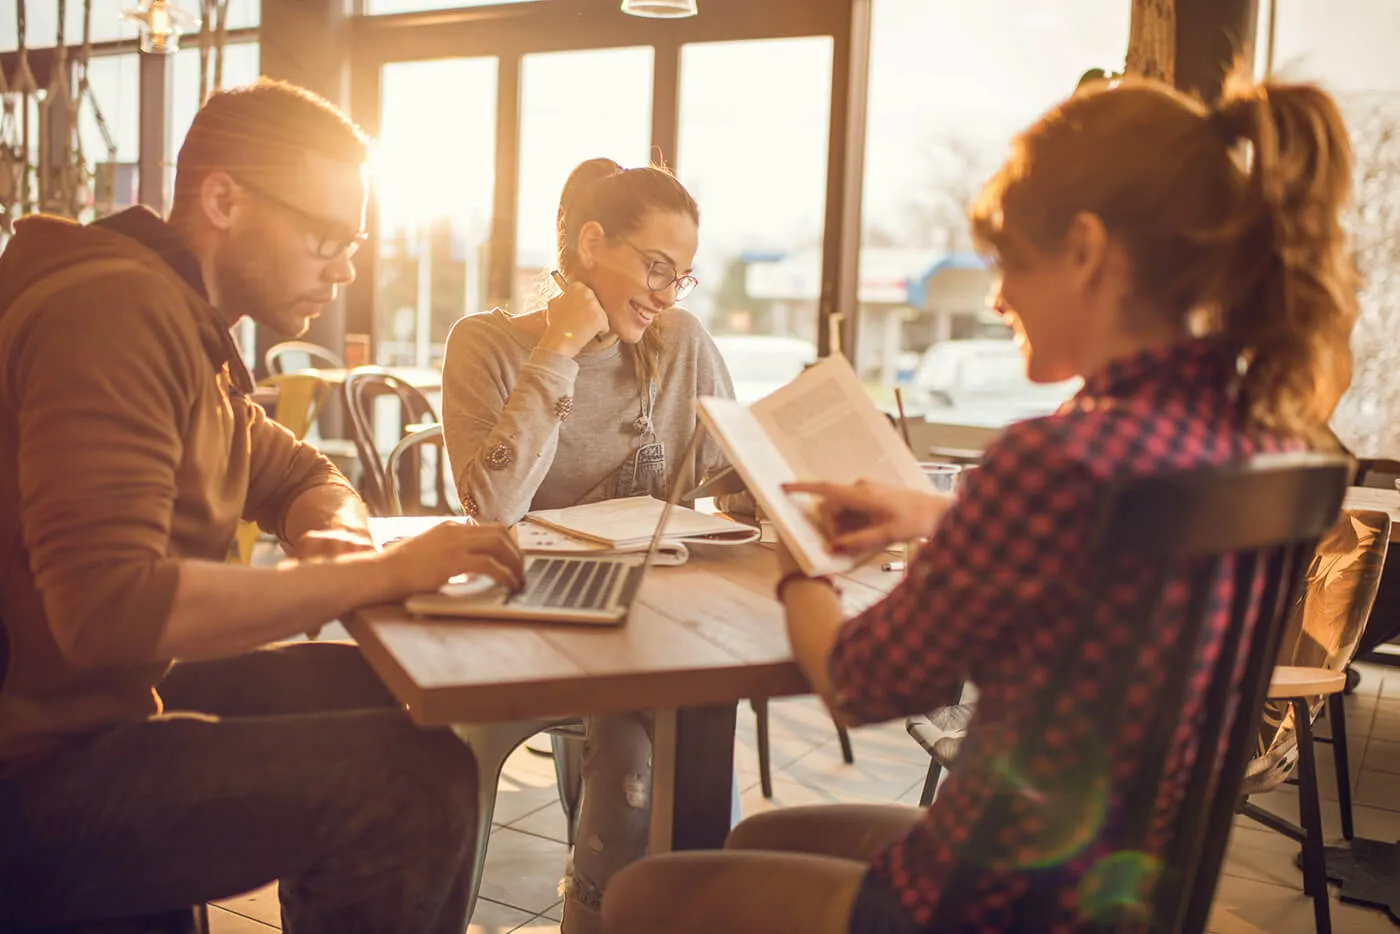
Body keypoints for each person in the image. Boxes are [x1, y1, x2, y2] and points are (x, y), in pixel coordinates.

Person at [600, 64, 1359, 934]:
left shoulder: (1056, 460)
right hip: (1118, 893)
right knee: (765, 835)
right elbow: (1105, 553)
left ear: (1084, 249)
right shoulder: (1250, 442)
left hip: (981, 906)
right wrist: (938, 516)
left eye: (1007, 264)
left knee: (644, 895)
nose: (996, 298)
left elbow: (862, 684)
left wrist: (797, 560)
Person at [0, 79, 523, 933]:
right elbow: (107, 607)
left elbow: (296, 473)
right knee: (412, 786)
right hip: (29, 774)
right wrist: (377, 576)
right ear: (223, 198)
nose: (347, 267)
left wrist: (339, 541)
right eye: (327, 236)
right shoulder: (112, 310)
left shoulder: (187, 331)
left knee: (385, 694)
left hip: (90, 713)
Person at [441, 157, 750, 934]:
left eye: (680, 277)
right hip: (528, 616)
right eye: (654, 266)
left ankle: (678, 911)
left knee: (691, 694)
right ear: (589, 245)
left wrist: (799, 472)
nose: (665, 292)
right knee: (650, 711)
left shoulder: (680, 345)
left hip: (650, 612)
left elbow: (720, 475)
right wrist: (562, 348)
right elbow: (494, 509)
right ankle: (613, 917)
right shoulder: (486, 346)